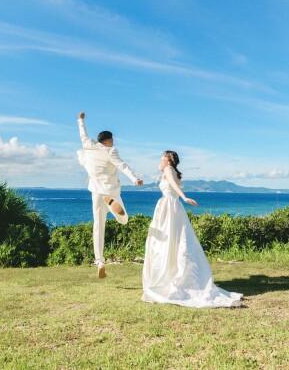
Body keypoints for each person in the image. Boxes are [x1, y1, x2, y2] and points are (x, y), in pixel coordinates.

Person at [142, 150, 243, 307]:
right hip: (173, 207)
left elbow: (174, 186)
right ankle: (171, 274)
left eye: (163, 156)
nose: (161, 158)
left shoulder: (169, 169)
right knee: (175, 239)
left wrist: (184, 197)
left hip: (168, 206)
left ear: (169, 159)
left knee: (167, 241)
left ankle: (166, 278)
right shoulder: (173, 170)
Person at [77, 111, 143, 279]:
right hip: (110, 192)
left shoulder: (89, 146)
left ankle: (100, 261)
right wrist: (135, 178)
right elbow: (123, 166)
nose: (113, 143)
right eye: (111, 140)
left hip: (96, 193)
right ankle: (114, 206)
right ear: (107, 142)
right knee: (124, 219)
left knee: (98, 227)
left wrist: (81, 120)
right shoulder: (110, 151)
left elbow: (83, 135)